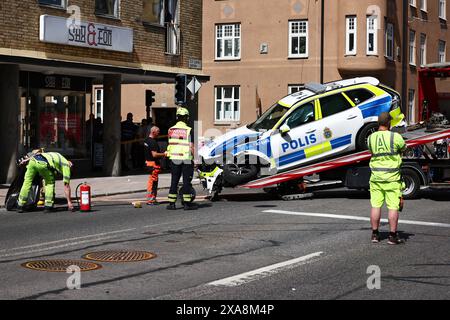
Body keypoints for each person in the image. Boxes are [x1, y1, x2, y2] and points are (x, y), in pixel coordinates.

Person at [367, 112, 407, 245]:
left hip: (376, 178)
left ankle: (375, 234)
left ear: (379, 123)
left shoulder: (371, 138)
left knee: (376, 206)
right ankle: (392, 236)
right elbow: (404, 148)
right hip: (392, 178)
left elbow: (371, 152)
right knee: (393, 207)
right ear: (389, 123)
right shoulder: (395, 137)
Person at [166, 107, 197, 210]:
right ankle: (187, 204)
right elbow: (191, 146)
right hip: (186, 158)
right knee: (186, 182)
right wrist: (196, 159)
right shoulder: (189, 130)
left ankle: (171, 204)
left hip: (174, 158)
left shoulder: (171, 130)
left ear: (177, 117)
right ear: (187, 118)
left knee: (174, 180)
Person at [144, 126, 167, 205]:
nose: (159, 133)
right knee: (153, 183)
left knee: (151, 181)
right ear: (153, 132)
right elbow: (154, 154)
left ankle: (152, 198)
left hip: (148, 163)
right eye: (158, 132)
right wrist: (164, 154)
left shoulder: (146, 140)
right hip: (153, 164)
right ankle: (151, 199)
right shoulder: (153, 142)